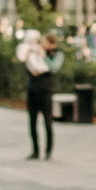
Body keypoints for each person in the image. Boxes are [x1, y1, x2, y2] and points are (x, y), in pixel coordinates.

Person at [20, 31, 64, 159]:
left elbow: (53, 67)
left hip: (46, 91)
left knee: (48, 122)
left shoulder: (57, 54)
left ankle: (48, 151)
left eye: (44, 41)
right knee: (32, 122)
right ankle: (35, 151)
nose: (41, 43)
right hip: (33, 89)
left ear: (51, 43)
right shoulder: (35, 51)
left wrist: (43, 56)